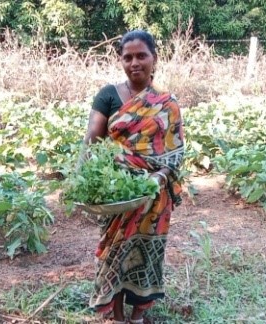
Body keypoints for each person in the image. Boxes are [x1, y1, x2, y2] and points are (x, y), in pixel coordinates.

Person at [83, 30, 185, 324]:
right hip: (118, 193)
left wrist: (159, 178)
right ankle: (117, 317)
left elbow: (175, 153)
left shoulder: (167, 104)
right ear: (121, 61)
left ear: (155, 58)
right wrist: (79, 178)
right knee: (114, 252)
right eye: (127, 57)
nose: (134, 62)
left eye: (141, 55)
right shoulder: (108, 95)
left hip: (153, 195)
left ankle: (139, 316)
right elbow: (91, 139)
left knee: (148, 253)